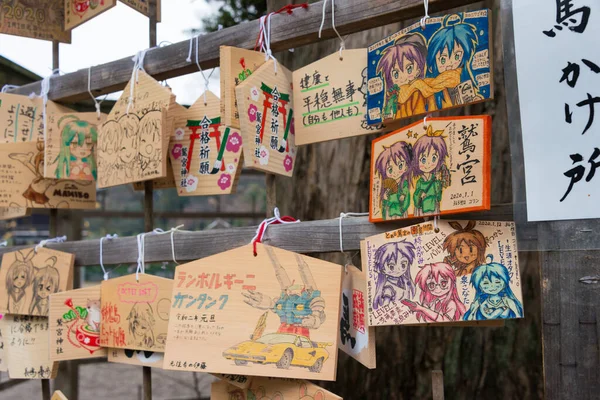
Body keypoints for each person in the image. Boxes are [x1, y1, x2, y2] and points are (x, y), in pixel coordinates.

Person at [376, 33, 428, 119]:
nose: (402, 78)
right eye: (396, 74)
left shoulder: (417, 91)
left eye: (409, 69)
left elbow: (419, 111)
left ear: (418, 71)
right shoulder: (394, 96)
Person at [402, 262, 466, 322]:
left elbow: (444, 320)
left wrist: (422, 309)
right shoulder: (431, 301)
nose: (437, 288)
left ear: (452, 282)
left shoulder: (451, 303)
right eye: (431, 285)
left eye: (443, 283)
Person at [412, 125, 450, 216]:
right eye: (423, 160)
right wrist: (420, 194)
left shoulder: (435, 180)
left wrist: (437, 183)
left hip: (434, 206)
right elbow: (415, 195)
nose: (428, 164)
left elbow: (439, 196)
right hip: (422, 208)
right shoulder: (420, 182)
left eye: (433, 159)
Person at [372, 240, 416, 310]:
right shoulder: (388, 287)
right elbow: (385, 306)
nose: (398, 269)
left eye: (403, 265)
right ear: (382, 268)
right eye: (391, 266)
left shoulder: (405, 280)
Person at [374, 141, 413, 219]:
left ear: (406, 166)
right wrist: (385, 200)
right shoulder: (388, 187)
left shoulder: (404, 185)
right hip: (389, 213)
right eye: (390, 169)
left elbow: (407, 199)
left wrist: (402, 206)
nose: (395, 172)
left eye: (400, 165)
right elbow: (384, 206)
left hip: (400, 213)